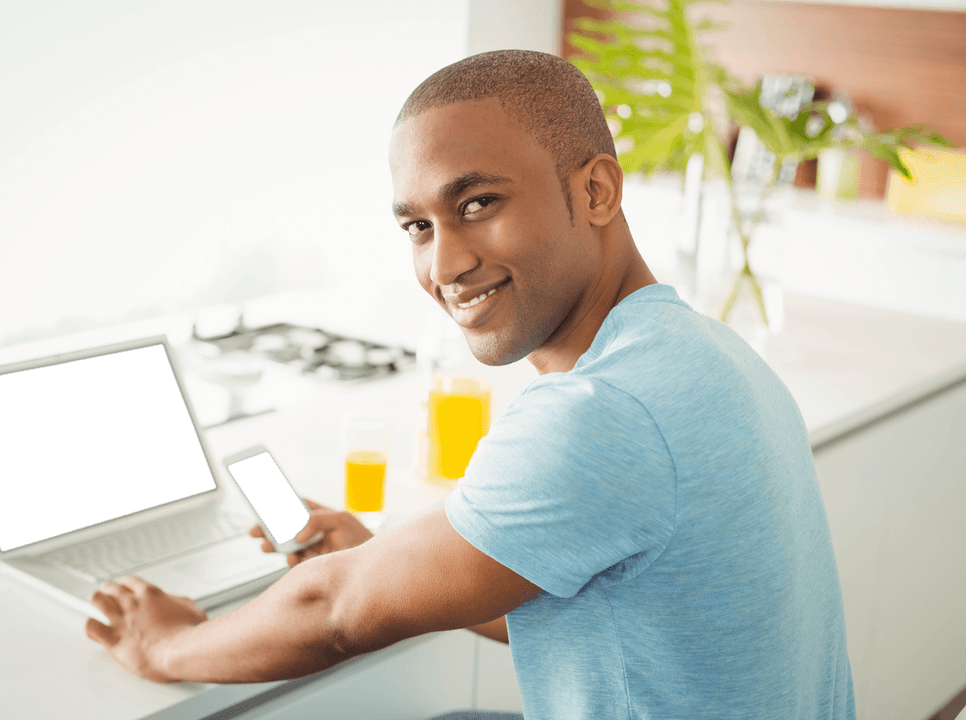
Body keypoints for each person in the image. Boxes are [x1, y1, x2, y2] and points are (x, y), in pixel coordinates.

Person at [85, 50, 855, 719]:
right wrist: (391, 562)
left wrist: (168, 643)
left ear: (596, 192)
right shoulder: (704, 352)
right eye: (418, 227)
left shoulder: (601, 413)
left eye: (478, 204)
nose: (446, 265)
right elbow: (593, 586)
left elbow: (333, 612)